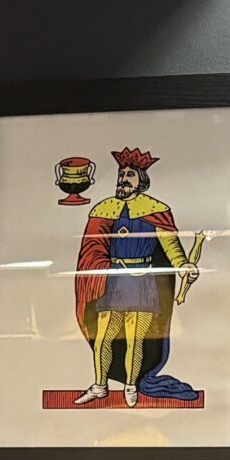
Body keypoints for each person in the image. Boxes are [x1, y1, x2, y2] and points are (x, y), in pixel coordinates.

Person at [73, 147, 201, 408]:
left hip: (142, 280)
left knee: (135, 339)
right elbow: (93, 246)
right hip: (113, 279)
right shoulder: (105, 208)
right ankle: (100, 386)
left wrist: (183, 264)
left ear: (141, 180)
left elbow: (170, 245)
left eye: (129, 175)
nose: (123, 179)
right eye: (121, 174)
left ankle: (131, 385)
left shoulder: (155, 209)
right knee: (103, 338)